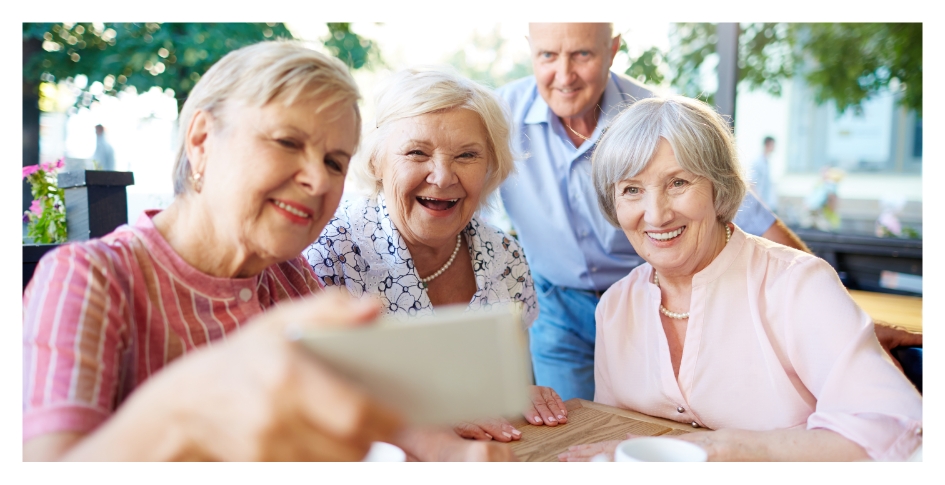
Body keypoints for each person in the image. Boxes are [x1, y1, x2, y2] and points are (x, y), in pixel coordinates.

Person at [494, 22, 921, 401]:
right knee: (578, 435)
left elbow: (754, 219)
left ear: (613, 49)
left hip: (654, 299)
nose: (564, 75)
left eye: (582, 54)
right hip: (559, 307)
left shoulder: (654, 117)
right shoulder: (498, 119)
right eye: (548, 55)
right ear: (530, 49)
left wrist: (843, 323)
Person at [22, 41, 403, 461]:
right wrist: (188, 409)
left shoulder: (293, 279)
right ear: (202, 141)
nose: (317, 179)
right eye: (288, 142)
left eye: (335, 162)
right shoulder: (87, 277)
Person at [559, 96, 921, 461]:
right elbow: (611, 435)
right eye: (632, 190)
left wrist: (726, 450)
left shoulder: (797, 285)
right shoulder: (616, 305)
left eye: (678, 182)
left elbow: (899, 428)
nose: (656, 215)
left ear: (719, 187)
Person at [305, 67, 565, 459]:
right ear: (377, 161)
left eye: (467, 155)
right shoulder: (331, 252)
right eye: (417, 153)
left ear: (491, 166)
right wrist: (432, 418)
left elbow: (508, 386)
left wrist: (520, 396)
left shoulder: (504, 256)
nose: (443, 177)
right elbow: (311, 400)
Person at [748, 136, 776, 209]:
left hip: (766, 203)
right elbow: (751, 183)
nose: (774, 148)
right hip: (758, 203)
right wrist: (759, 201)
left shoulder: (766, 162)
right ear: (767, 145)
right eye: (773, 145)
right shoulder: (758, 162)